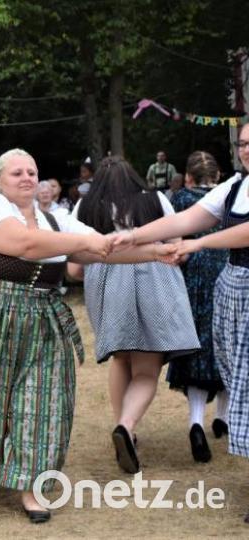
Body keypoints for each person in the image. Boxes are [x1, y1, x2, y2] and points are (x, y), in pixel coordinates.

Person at [0, 148, 175, 523]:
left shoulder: (55, 220)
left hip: (44, 317)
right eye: (17, 173)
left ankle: (32, 486)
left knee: (43, 402)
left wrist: (156, 251)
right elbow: (24, 244)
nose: (26, 178)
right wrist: (87, 243)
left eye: (32, 172)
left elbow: (102, 249)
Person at [113, 125, 249, 521]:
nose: (245, 149)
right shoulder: (236, 187)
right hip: (235, 290)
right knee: (240, 383)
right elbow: (188, 218)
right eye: (241, 143)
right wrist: (133, 235)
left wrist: (199, 243)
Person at [71, 155, 200, 474]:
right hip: (153, 278)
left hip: (105, 283)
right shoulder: (155, 199)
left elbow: (74, 268)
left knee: (120, 357)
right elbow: (175, 245)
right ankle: (126, 427)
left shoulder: (84, 207)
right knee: (145, 368)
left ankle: (122, 426)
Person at [165, 151, 229, 463]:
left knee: (196, 347)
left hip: (193, 277)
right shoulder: (231, 193)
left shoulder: (180, 199)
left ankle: (195, 422)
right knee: (229, 345)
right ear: (217, 175)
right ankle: (224, 417)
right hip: (228, 269)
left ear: (188, 177)